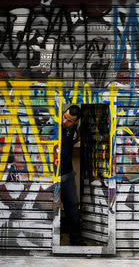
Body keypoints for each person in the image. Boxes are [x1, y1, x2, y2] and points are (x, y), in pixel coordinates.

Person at [60, 105, 83, 246]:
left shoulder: (73, 129)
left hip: (67, 173)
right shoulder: (56, 124)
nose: (64, 122)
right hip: (52, 173)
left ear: (75, 122)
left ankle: (75, 241)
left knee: (73, 207)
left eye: (69, 120)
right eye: (64, 117)